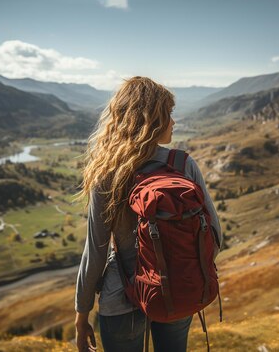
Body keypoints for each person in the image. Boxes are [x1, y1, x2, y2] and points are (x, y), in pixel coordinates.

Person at [74, 76, 222, 352]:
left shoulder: (108, 173)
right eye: (169, 115)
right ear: (153, 120)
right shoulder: (182, 165)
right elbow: (215, 235)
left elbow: (95, 251)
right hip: (177, 294)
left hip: (120, 298)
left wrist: (82, 314)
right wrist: (181, 270)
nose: (173, 122)